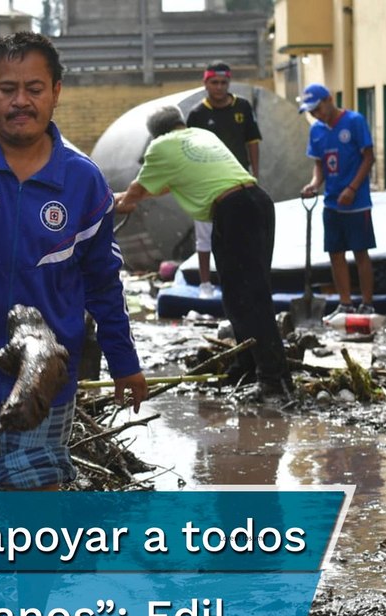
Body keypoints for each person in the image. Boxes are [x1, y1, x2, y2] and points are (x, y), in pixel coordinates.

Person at [0, 31, 147, 492]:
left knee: (37, 517)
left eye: (34, 89)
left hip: (46, 383)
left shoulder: (83, 182)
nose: (21, 101)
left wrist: (124, 359)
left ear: (56, 91)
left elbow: (102, 280)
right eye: (8, 89)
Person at [114, 106, 291, 399]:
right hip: (257, 203)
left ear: (156, 134)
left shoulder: (161, 146)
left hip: (233, 211)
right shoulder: (201, 135)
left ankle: (273, 380)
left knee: (248, 298)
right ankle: (249, 366)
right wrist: (131, 196)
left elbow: (139, 188)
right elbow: (164, 185)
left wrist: (117, 203)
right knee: (243, 295)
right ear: (180, 123)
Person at [298, 83, 377, 316]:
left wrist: (352, 188)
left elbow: (368, 158)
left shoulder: (354, 121)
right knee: (335, 253)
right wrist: (314, 184)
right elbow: (319, 165)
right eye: (311, 111)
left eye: (318, 108)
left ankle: (367, 303)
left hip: (357, 203)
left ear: (329, 100)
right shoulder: (316, 131)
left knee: (360, 252)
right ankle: (345, 303)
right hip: (332, 202)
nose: (316, 114)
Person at [186, 61, 262, 298]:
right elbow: (188, 149)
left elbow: (252, 141)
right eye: (214, 82)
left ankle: (240, 281)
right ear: (206, 83)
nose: (219, 87)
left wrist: (255, 175)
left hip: (237, 181)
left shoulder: (243, 107)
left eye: (223, 82)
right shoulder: (197, 114)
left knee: (240, 233)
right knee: (205, 235)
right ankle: (206, 284)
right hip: (207, 183)